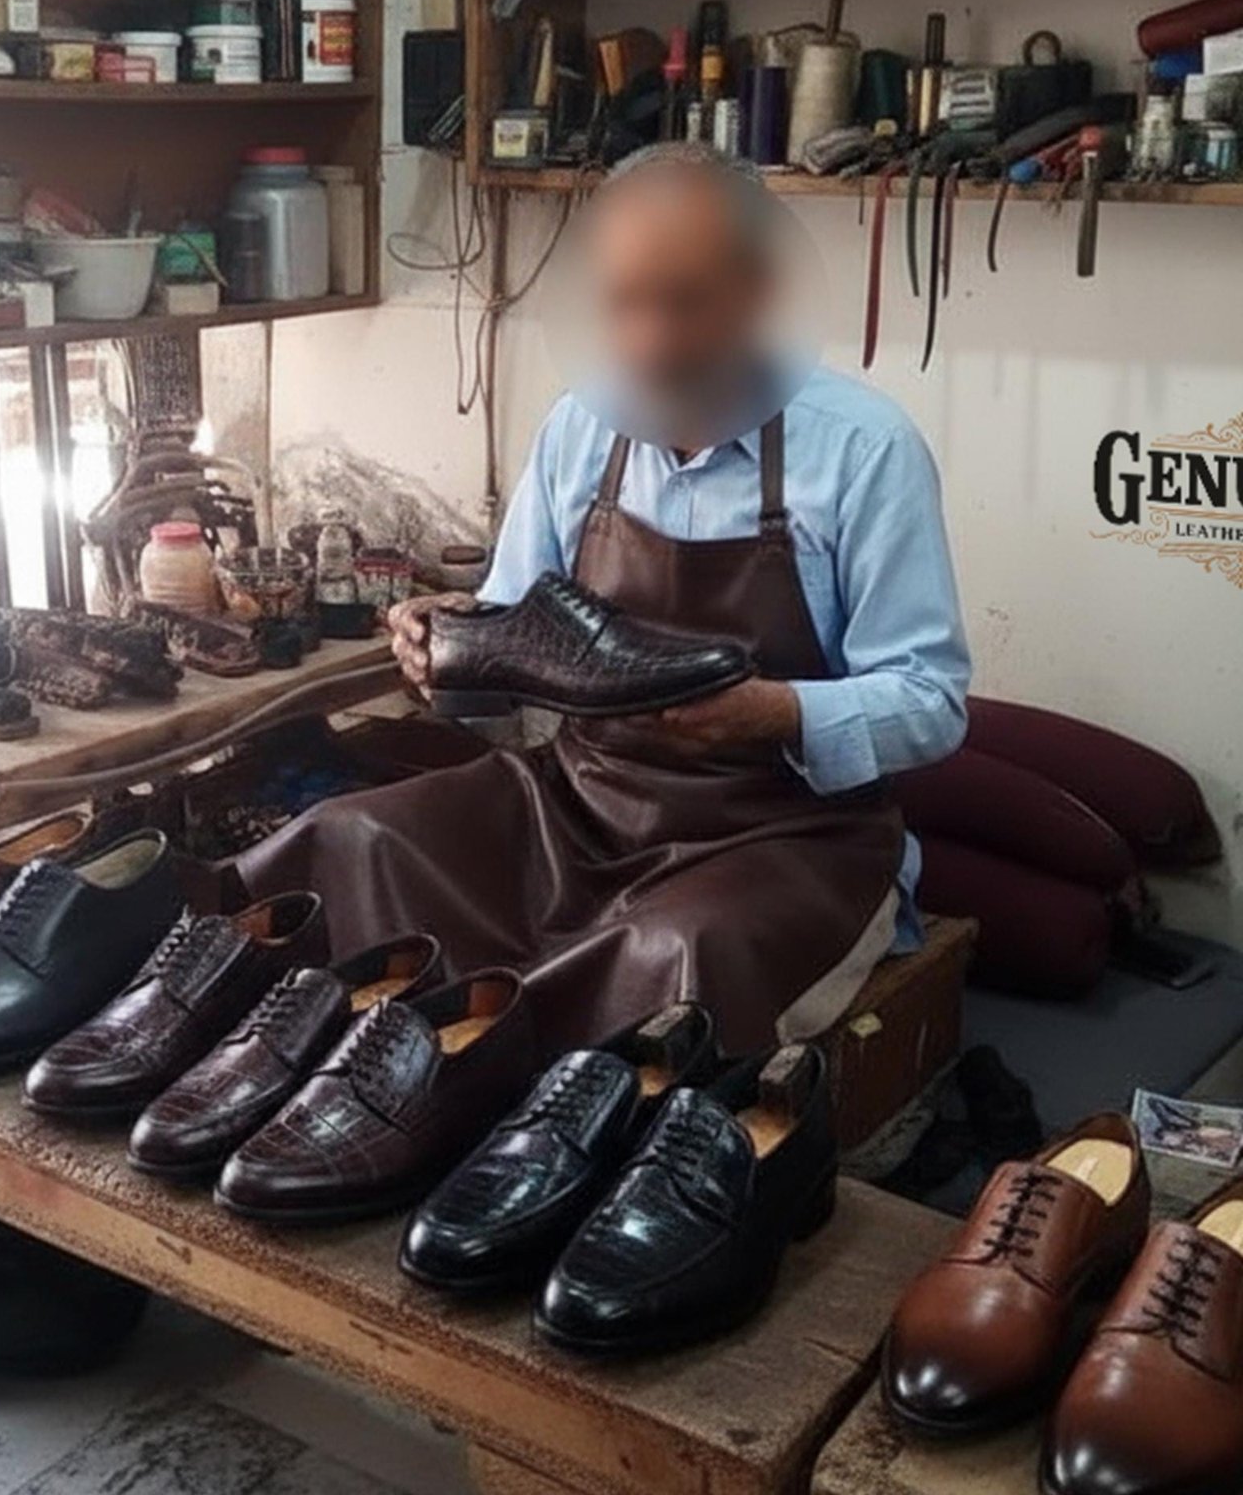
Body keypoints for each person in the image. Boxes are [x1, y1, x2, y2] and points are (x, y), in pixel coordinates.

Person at [236, 143, 971, 1055]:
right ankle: (348, 1084)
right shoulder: (581, 425)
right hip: (577, 807)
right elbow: (513, 640)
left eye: (685, 303)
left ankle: (546, 1118)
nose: (650, 342)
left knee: (678, 957)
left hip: (784, 835)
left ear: (757, 292)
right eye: (625, 303)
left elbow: (931, 702)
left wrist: (771, 714)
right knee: (349, 839)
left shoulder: (864, 450)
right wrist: (447, 649)